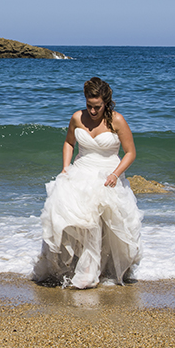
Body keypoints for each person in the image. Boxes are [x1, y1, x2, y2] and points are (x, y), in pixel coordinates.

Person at [33, 77, 143, 289]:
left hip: (108, 174)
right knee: (66, 213)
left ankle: (93, 271)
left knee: (102, 221)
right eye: (89, 105)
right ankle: (73, 267)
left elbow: (130, 152)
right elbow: (69, 143)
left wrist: (115, 174)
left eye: (97, 107)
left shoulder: (117, 120)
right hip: (80, 170)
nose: (92, 111)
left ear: (106, 103)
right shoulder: (77, 117)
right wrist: (65, 167)